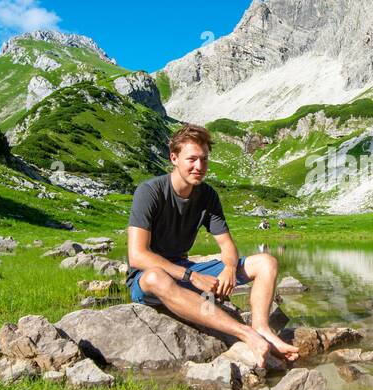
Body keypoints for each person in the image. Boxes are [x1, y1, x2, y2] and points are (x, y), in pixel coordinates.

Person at [125, 124, 297, 367]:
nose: (199, 166)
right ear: (174, 158)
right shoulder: (149, 192)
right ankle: (246, 334)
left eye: (204, 159)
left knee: (266, 262)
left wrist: (228, 267)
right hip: (148, 278)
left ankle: (262, 328)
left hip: (184, 271)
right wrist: (191, 276)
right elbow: (137, 255)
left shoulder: (207, 195)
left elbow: (227, 244)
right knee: (155, 277)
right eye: (192, 159)